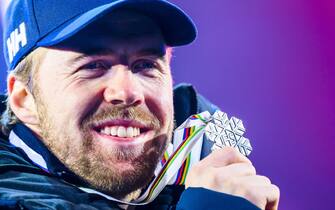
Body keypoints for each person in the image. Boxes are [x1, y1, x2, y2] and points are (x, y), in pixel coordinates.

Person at [0, 0, 280, 209]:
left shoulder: (205, 156)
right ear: (24, 99)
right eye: (93, 65)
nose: (128, 91)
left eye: (146, 65)